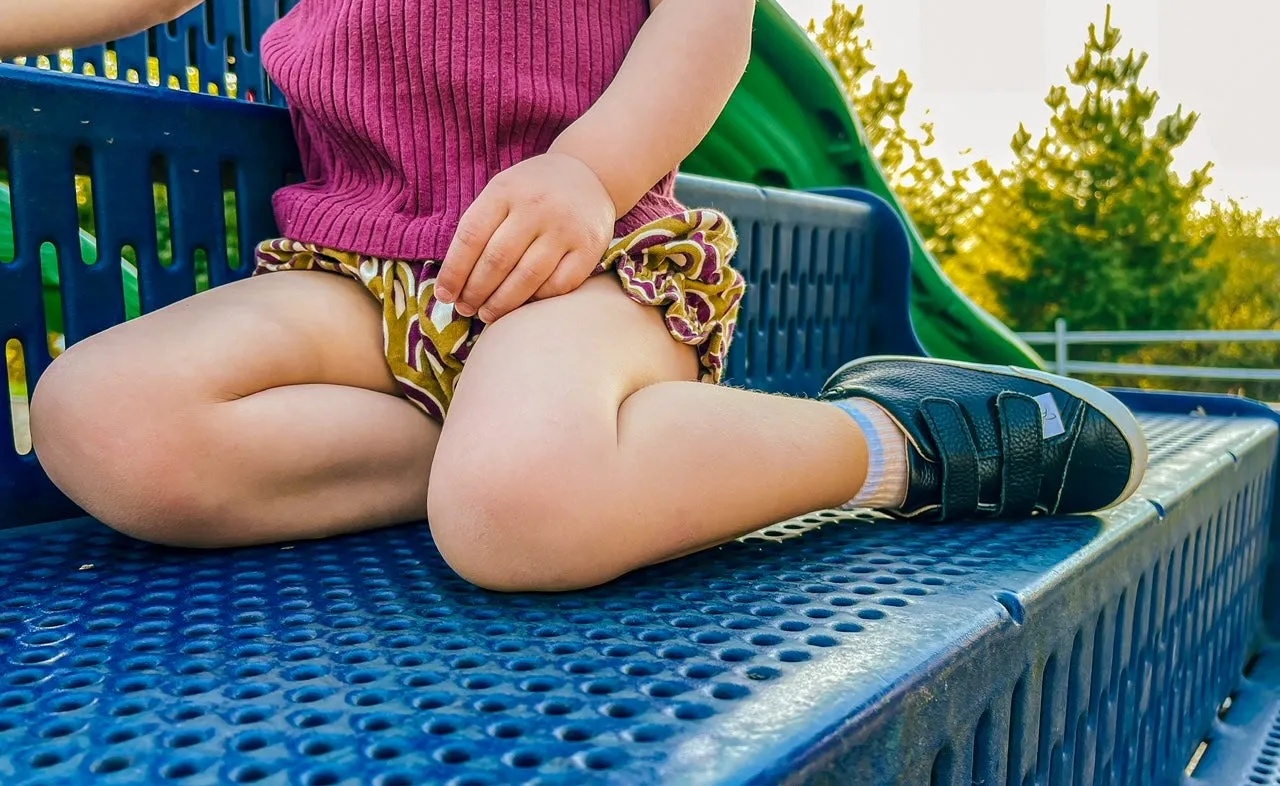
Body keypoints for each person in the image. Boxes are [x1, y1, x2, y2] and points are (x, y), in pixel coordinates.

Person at [6, 0, 1148, 593]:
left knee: (517, 518)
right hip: (357, 266)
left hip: (585, 256)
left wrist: (589, 172)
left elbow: (708, 20)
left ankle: (892, 440)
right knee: (98, 417)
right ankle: (485, 449)